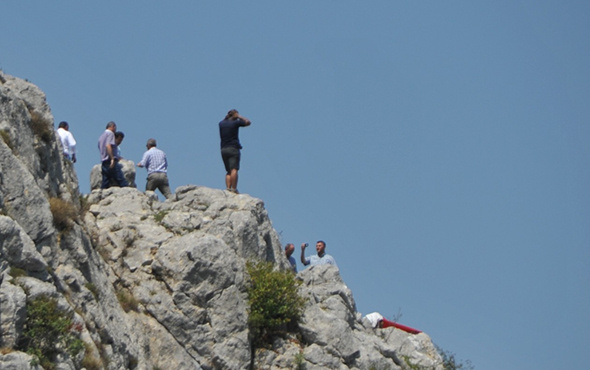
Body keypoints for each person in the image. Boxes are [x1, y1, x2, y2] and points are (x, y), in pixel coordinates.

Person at [219, 109, 251, 193]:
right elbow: (248, 122)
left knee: (228, 171)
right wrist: (239, 117)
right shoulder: (235, 122)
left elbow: (224, 120)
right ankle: (234, 189)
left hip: (223, 149)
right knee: (234, 169)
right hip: (233, 148)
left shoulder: (221, 124)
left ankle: (228, 188)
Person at [97, 121, 128, 189]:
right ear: (113, 126)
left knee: (105, 182)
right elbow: (108, 146)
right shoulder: (110, 134)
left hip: (103, 162)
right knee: (121, 179)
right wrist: (112, 158)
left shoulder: (101, 136)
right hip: (109, 160)